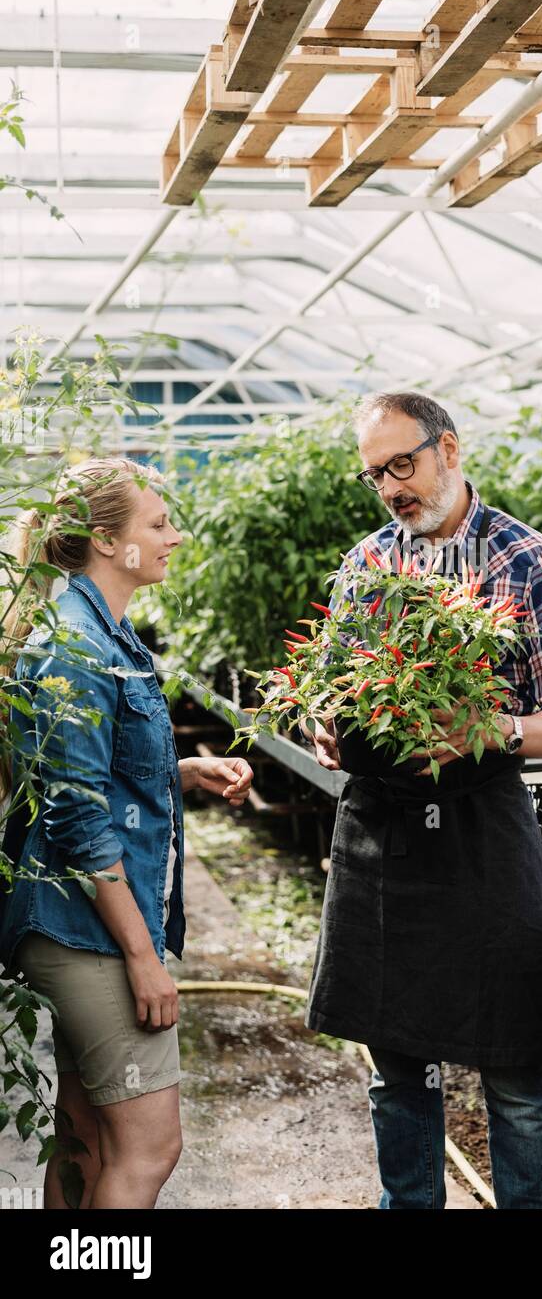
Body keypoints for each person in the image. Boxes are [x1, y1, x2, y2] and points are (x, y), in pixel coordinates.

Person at [304, 392, 542, 1209]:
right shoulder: (366, 564)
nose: (392, 487)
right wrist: (325, 726)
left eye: (402, 463)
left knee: (511, 1068)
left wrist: (486, 729)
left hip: (479, 834)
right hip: (383, 834)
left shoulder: (524, 558)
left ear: (449, 450)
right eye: (375, 475)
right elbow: (335, 691)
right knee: (397, 1068)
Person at [0, 457, 253, 1209]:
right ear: (107, 542)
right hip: (88, 930)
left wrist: (177, 774)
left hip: (82, 923)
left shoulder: (103, 631)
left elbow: (88, 777)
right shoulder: (75, 647)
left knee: (84, 1133)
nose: (174, 536)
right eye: (158, 523)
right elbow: (76, 818)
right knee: (148, 1147)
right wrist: (144, 960)